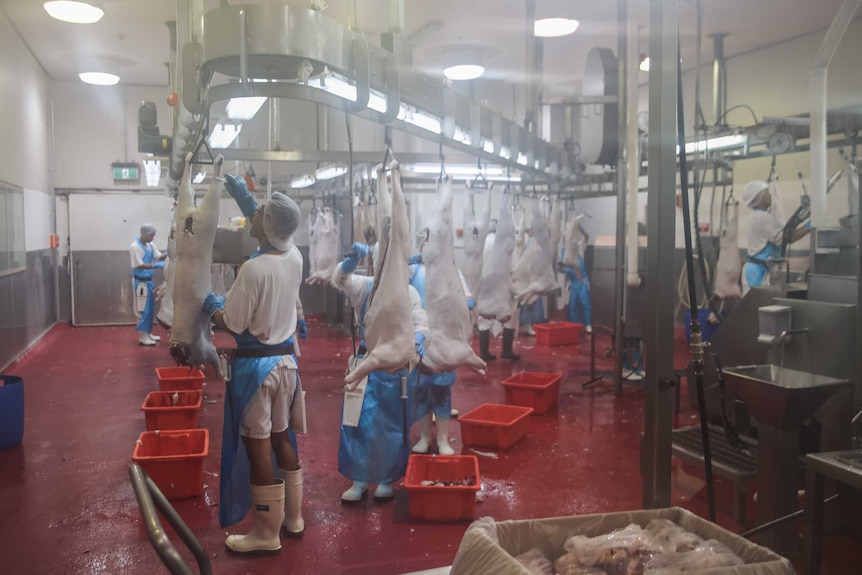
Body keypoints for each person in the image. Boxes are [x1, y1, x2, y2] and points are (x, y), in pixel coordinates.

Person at [202, 182, 305, 556]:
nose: (254, 212)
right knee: (282, 439)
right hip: (286, 365)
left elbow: (233, 323)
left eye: (259, 211)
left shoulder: (252, 269)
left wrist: (209, 305)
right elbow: (271, 226)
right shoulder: (293, 256)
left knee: (258, 447)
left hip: (256, 371)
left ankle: (265, 532)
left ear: (269, 224)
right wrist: (244, 196)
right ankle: (293, 519)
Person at [332, 241, 429, 502]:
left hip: (395, 369)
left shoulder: (408, 292)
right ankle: (360, 480)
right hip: (365, 365)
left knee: (391, 425)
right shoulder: (366, 287)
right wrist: (350, 262)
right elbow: (341, 279)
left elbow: (421, 322)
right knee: (358, 423)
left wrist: (418, 341)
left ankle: (386, 479)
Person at [407, 248, 474, 456]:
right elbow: (395, 276)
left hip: (444, 341)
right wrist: (407, 260)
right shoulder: (413, 270)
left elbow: (465, 292)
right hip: (421, 342)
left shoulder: (450, 270)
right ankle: (425, 438)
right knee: (422, 392)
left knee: (442, 392)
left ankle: (444, 439)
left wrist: (468, 302)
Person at [741, 179, 810, 293]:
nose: (770, 195)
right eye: (766, 192)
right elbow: (788, 238)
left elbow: (785, 232)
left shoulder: (754, 216)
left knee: (751, 307)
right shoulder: (763, 217)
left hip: (753, 270)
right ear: (759, 197)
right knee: (758, 307)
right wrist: (808, 227)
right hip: (759, 272)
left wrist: (801, 218)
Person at [477, 219, 521, 361]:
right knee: (509, 315)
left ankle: (484, 353)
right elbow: (513, 266)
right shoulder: (505, 243)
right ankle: (507, 351)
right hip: (502, 283)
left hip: (485, 282)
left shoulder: (482, 242)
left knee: (484, 318)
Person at [130, 224, 167, 346]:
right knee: (142, 309)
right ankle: (142, 336)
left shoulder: (150, 246)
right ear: (144, 234)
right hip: (140, 282)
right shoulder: (135, 247)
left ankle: (148, 332)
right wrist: (155, 265)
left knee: (150, 308)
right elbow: (139, 265)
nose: (153, 238)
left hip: (149, 281)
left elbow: (159, 256)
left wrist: (168, 253)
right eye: (151, 235)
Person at [560, 227, 592, 334]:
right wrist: (568, 269)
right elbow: (561, 267)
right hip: (572, 282)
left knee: (585, 302)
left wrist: (580, 228)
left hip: (582, 281)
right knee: (572, 305)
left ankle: (587, 324)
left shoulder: (579, 246)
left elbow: (587, 236)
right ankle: (574, 326)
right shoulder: (563, 251)